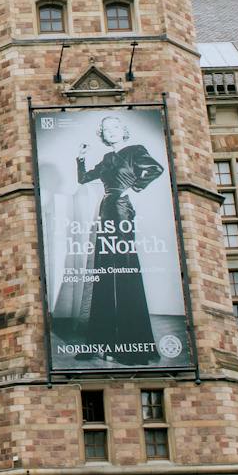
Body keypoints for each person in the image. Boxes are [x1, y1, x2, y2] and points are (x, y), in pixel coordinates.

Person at [55, 116, 163, 362]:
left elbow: (157, 168)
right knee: (104, 273)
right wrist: (80, 158)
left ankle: (129, 343)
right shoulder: (106, 159)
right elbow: (83, 179)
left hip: (122, 209)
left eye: (114, 127)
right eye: (105, 129)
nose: (110, 131)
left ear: (122, 130)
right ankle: (100, 341)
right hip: (106, 209)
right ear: (102, 134)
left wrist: (136, 187)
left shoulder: (135, 151)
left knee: (124, 270)